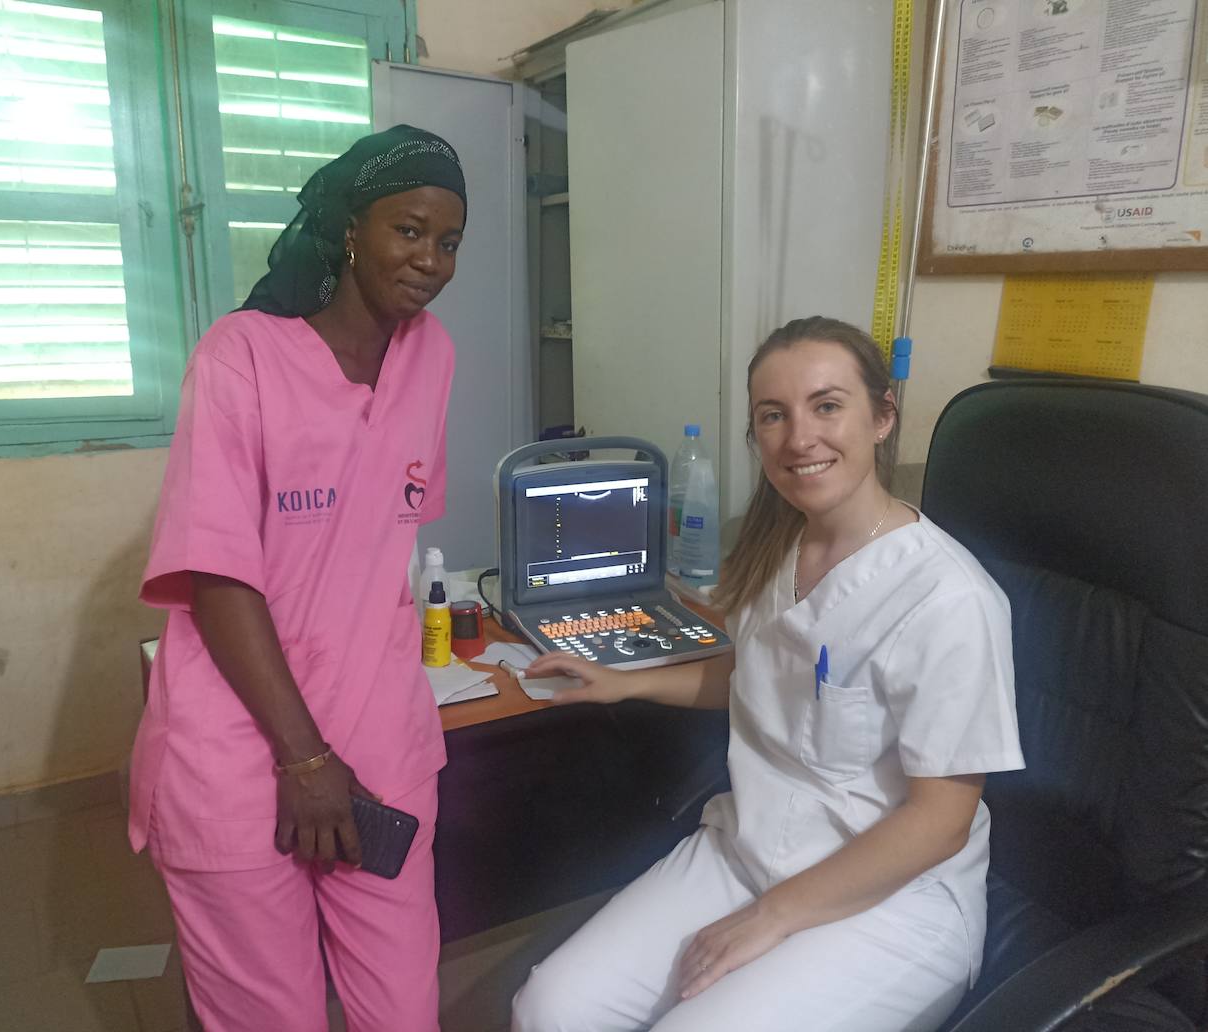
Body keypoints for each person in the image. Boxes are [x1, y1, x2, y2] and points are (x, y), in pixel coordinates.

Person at [511, 316, 1025, 1032]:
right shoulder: (776, 546)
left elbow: (941, 823)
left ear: (881, 416)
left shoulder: (946, 598)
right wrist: (625, 683)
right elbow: (765, 681)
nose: (799, 438)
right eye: (773, 416)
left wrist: (771, 917)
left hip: (891, 899)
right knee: (550, 1006)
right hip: (746, 851)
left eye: (827, 405)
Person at [128, 124, 467, 1032]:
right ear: (351, 227)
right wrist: (304, 757)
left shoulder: (431, 355)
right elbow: (217, 572)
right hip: (244, 745)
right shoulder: (240, 354)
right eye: (409, 229)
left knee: (402, 1007)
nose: (430, 258)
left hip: (381, 738)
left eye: (448, 241)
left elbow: (382, 534)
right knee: (271, 1015)